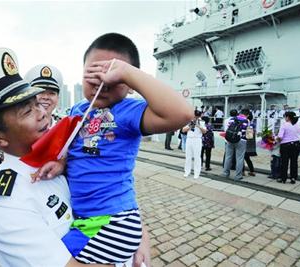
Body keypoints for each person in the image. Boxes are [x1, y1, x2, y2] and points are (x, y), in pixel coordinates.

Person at [0, 48, 151, 267]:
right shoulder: (4, 204)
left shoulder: (59, 159)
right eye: (27, 112)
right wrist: (125, 256)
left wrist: (137, 231)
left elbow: (112, 190)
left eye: (37, 104)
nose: (43, 113)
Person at [35, 33, 192, 264]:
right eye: (93, 73)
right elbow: (72, 148)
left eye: (112, 76)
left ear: (130, 86)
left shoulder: (128, 111)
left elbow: (182, 113)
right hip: (86, 219)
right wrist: (62, 162)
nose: (102, 81)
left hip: (113, 222)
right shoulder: (77, 110)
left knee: (56, 259)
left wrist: (126, 72)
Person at [222, 109, 250, 181]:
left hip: (230, 139)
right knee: (239, 158)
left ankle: (225, 173)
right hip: (241, 140)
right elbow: (248, 132)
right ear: (247, 115)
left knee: (228, 157)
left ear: (240, 113)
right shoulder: (247, 121)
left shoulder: (232, 119)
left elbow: (227, 128)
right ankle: (238, 176)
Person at [277, 111, 300, 184]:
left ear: (288, 117)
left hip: (285, 146)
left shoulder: (284, 125)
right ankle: (293, 178)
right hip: (296, 145)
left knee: (284, 162)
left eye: (285, 116)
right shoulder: (298, 124)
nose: (284, 118)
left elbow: (280, 137)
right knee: (294, 162)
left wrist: (275, 140)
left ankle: (283, 178)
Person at [182, 110, 206, 179]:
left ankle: (197, 173)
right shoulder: (188, 121)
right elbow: (183, 130)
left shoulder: (202, 122)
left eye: (197, 116)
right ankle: (187, 171)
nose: (196, 117)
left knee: (197, 157)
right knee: (188, 156)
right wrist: (190, 125)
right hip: (189, 139)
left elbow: (204, 131)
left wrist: (199, 126)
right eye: (195, 116)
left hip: (197, 139)